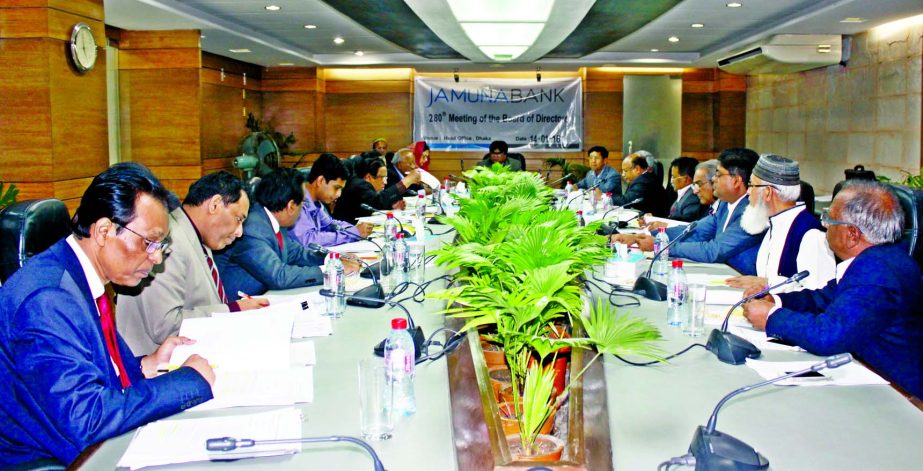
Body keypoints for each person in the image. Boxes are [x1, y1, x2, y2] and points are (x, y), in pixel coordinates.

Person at [0, 163, 215, 467]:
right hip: (56, 458)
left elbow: (93, 376)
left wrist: (146, 366)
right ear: (104, 231)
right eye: (149, 242)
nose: (155, 257)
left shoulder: (78, 279)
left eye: (160, 245)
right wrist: (188, 382)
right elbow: (86, 419)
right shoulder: (48, 299)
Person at [743, 181, 923, 399]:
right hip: (869, 376)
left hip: (897, 396)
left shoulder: (876, 273)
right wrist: (777, 300)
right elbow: (824, 298)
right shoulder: (881, 258)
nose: (825, 225)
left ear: (852, 234)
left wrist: (771, 316)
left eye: (829, 219)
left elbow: (828, 336)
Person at [115, 171, 269, 355]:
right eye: (238, 219)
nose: (239, 232)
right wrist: (233, 310)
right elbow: (165, 327)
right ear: (215, 204)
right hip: (157, 367)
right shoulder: (168, 241)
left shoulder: (194, 235)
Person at [613, 148, 763, 274]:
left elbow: (714, 250)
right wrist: (640, 237)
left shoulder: (751, 211)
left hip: (743, 285)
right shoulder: (725, 204)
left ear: (736, 180)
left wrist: (661, 246)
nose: (714, 180)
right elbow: (694, 231)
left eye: (718, 174)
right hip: (722, 272)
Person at [215, 168, 331, 299]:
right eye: (302, 203)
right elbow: (279, 276)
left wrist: (333, 259)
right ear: (291, 205)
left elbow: (296, 253)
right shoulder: (251, 227)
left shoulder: (273, 220)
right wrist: (329, 272)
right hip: (235, 309)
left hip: (262, 298)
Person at [726, 154, 835, 293]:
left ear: (767, 192)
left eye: (751, 185)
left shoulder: (811, 234)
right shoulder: (774, 223)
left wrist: (768, 283)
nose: (748, 192)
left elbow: (820, 294)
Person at [290, 153, 373, 247]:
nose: (339, 194)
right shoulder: (298, 201)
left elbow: (330, 224)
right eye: (336, 188)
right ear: (320, 181)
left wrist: (355, 230)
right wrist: (352, 233)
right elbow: (308, 240)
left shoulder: (315, 202)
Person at [333, 156, 420, 224]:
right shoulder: (359, 185)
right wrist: (408, 180)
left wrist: (391, 207)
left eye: (386, 178)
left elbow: (370, 205)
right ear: (368, 177)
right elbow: (378, 201)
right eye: (382, 177)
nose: (385, 182)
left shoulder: (360, 184)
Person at [610, 151, 668, 216]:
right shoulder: (640, 179)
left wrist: (607, 197)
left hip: (656, 220)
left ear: (637, 169)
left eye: (625, 171)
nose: (623, 174)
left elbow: (626, 201)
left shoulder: (643, 181)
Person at [666, 156, 707, 222]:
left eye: (673, 177)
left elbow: (686, 221)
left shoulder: (693, 197)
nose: (671, 181)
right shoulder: (683, 193)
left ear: (685, 179)